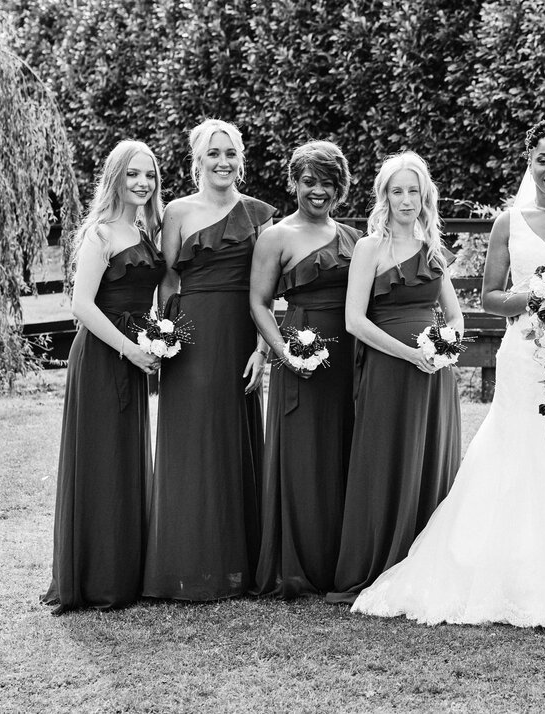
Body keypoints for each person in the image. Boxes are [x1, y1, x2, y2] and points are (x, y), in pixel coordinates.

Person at [350, 121, 545, 628]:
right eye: (543, 160)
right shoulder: (507, 222)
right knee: (521, 450)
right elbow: (491, 297)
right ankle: (514, 569)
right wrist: (536, 296)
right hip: (526, 355)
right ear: (529, 162)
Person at [144, 119, 275, 601]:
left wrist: (262, 350)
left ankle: (236, 566)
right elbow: (169, 283)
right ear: (196, 160)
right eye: (213, 154)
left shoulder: (261, 216)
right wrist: (163, 338)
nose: (223, 162)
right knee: (189, 444)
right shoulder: (176, 212)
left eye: (231, 154)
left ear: (241, 159)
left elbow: (268, 292)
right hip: (191, 338)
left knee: (232, 440)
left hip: (240, 335)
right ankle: (183, 563)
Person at [325, 151, 462, 605]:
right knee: (385, 458)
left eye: (413, 190)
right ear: (385, 196)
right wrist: (410, 353)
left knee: (430, 457)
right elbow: (354, 321)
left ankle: (428, 562)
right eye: (397, 190)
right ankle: (381, 562)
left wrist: (444, 347)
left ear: (426, 194)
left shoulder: (432, 247)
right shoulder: (369, 248)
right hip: (388, 369)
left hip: (434, 375)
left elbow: (456, 315)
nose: (406, 199)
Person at [41, 140, 166, 614]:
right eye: (133, 174)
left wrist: (155, 339)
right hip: (102, 356)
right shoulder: (99, 234)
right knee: (101, 458)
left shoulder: (144, 228)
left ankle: (127, 570)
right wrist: (130, 349)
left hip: (134, 354)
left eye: (149, 175)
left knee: (128, 457)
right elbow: (81, 305)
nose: (142, 183)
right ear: (115, 177)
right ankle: (97, 578)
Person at [250, 141, 361, 598]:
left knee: (346, 450)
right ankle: (298, 563)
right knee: (303, 455)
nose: (318, 191)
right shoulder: (276, 236)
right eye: (309, 181)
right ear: (294, 182)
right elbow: (258, 302)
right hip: (302, 351)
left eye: (328, 182)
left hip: (350, 358)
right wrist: (283, 352)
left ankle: (343, 558)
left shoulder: (354, 237)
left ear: (341, 187)